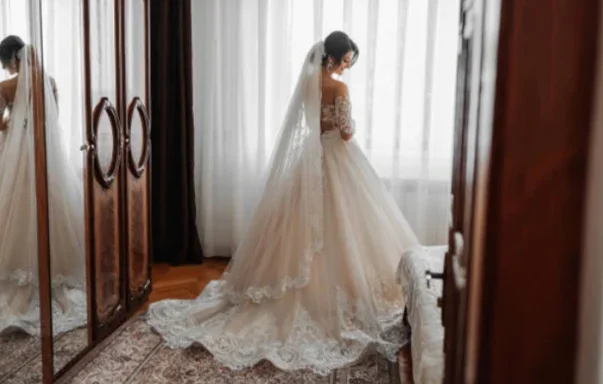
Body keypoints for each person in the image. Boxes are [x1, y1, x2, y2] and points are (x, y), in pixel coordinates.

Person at [146, 31, 421, 374]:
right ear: (335, 57)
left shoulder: (309, 83)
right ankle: (341, 297)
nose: (349, 66)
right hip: (337, 157)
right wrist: (347, 123)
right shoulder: (339, 88)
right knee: (345, 227)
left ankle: (284, 288)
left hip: (311, 158)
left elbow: (311, 124)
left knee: (297, 228)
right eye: (348, 59)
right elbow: (347, 132)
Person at [0, 35, 87, 336]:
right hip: (44, 154)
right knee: (49, 208)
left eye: (4, 63)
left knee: (7, 212)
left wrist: (13, 124)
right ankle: (53, 269)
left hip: (11, 157)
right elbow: (52, 121)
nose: (4, 69)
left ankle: (14, 271)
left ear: (11, 60)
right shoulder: (50, 81)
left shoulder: (5, 88)